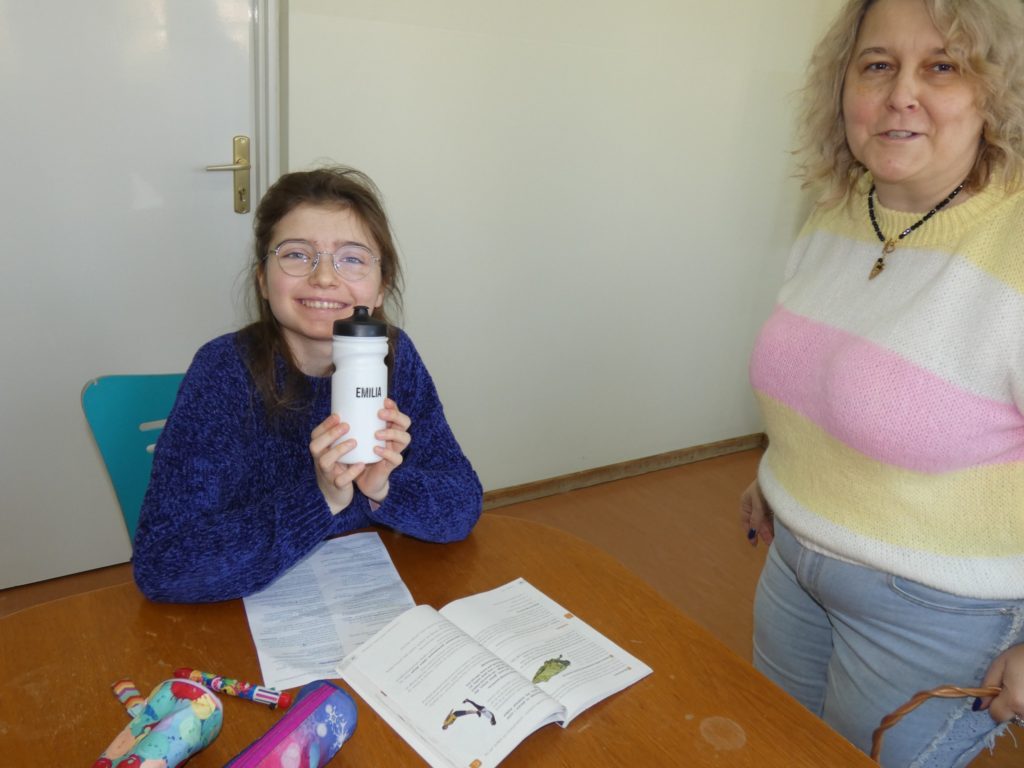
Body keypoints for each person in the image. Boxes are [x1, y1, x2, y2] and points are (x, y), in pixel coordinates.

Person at [741, 0, 1024, 765]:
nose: (902, 94)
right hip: (794, 562)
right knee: (778, 747)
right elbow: (818, 373)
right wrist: (781, 469)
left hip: (939, 610)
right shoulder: (840, 208)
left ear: (994, 88)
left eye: (942, 66)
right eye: (877, 65)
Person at [133, 166, 482, 603]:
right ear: (263, 279)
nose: (324, 278)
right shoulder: (224, 371)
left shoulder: (394, 356)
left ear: (381, 287)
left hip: (363, 594)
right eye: (297, 255)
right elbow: (165, 564)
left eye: (352, 258)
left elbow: (462, 504)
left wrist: (384, 489)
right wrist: (321, 499)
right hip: (249, 607)